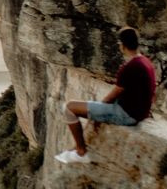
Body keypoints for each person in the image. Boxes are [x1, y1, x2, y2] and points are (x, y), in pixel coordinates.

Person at [56, 26, 157, 164]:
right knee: (93, 111)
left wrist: (98, 109)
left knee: (69, 107)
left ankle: (81, 152)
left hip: (126, 115)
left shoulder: (129, 67)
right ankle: (78, 147)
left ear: (122, 45)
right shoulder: (146, 62)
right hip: (140, 112)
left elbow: (111, 96)